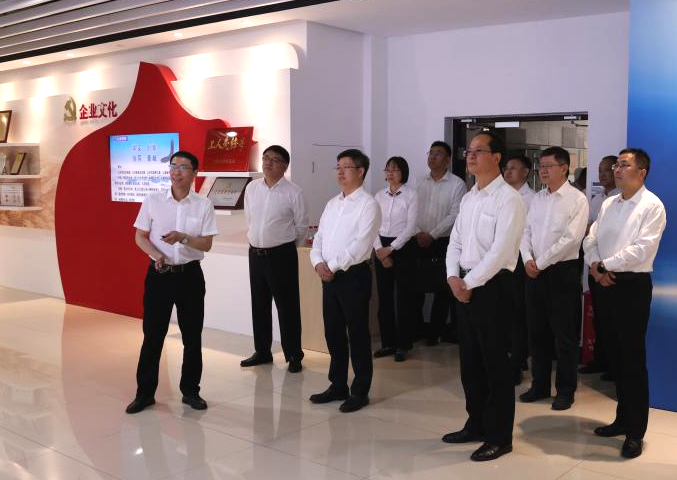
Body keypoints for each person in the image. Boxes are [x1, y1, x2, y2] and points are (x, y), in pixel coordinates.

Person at [443, 131, 525, 462]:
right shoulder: (469, 198)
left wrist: (469, 283)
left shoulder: (509, 199)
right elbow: (455, 242)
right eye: (469, 151)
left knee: (495, 366)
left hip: (493, 287)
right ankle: (475, 423)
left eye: (479, 151)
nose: (471, 156)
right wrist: (452, 277)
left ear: (497, 157)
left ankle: (499, 436)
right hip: (464, 285)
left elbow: (501, 251)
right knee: (470, 363)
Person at [583, 148, 666, 459]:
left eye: (624, 165)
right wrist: (595, 266)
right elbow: (590, 239)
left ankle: (635, 432)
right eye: (616, 164)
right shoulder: (609, 203)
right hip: (602, 280)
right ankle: (621, 418)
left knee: (631, 360)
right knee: (614, 356)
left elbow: (642, 249)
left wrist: (605, 265)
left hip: (631, 286)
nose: (617, 169)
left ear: (641, 172)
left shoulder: (652, 205)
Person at [126, 150, 218, 414]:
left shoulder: (203, 205)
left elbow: (207, 244)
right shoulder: (153, 200)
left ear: (194, 173)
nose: (176, 171)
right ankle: (144, 394)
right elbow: (140, 236)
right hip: (159, 276)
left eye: (183, 167)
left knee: (192, 336)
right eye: (173, 166)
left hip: (190, 276)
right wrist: (156, 254)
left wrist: (183, 237)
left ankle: (191, 391)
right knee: (153, 336)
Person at [309, 149, 381, 413]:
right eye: (338, 166)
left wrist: (332, 266)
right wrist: (318, 263)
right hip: (328, 276)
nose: (340, 172)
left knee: (358, 334)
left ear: (360, 172)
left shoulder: (369, 204)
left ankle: (360, 390)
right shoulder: (332, 204)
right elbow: (319, 238)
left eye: (346, 167)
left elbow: (361, 245)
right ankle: (337, 384)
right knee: (334, 332)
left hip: (353, 276)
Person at [519, 147, 588, 411]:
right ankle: (539, 386)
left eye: (548, 165)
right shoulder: (538, 198)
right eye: (541, 166)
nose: (543, 170)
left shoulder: (577, 199)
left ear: (564, 168)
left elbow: (571, 238)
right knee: (536, 332)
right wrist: (528, 259)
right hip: (533, 271)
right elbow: (524, 231)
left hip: (562, 273)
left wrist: (540, 262)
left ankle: (566, 391)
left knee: (565, 336)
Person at [240, 145, 309, 373]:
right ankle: (262, 352)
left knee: (287, 307)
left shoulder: (293, 192)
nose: (268, 163)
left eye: (274, 159)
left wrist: (284, 247)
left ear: (285, 166)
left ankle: (294, 355)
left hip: (281, 255)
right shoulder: (252, 188)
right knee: (259, 305)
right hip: (255, 254)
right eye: (265, 158)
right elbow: (250, 219)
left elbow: (301, 227)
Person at [414, 141, 466, 345]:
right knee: (416, 287)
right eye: (430, 153)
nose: (432, 157)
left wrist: (433, 235)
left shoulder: (457, 184)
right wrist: (418, 232)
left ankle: (435, 332)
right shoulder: (419, 181)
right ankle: (417, 329)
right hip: (417, 239)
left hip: (443, 242)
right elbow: (411, 210)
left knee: (442, 289)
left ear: (448, 159)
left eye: (438, 154)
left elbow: (455, 214)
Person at [373, 156, 418, 362]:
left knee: (404, 297)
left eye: (395, 169)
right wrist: (380, 250)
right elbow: (373, 225)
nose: (390, 173)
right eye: (388, 169)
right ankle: (388, 343)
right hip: (381, 246)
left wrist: (391, 249)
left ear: (403, 173)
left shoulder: (411, 195)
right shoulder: (378, 195)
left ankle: (403, 344)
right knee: (384, 297)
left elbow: (410, 227)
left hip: (403, 246)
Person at [580, 155, 619, 376]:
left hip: (611, 266)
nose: (602, 174)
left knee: (612, 319)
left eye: (607, 170)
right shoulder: (597, 199)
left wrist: (592, 228)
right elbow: (587, 230)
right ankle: (599, 360)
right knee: (599, 316)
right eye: (600, 170)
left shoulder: (619, 199)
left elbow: (602, 231)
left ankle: (613, 366)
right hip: (593, 264)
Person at [502, 154, 535, 385]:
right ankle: (508, 357)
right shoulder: (501, 195)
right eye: (506, 167)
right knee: (504, 313)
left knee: (517, 314)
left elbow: (528, 232)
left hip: (520, 261)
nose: (508, 171)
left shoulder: (531, 199)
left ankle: (517, 361)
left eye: (514, 168)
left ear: (525, 172)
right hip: (500, 261)